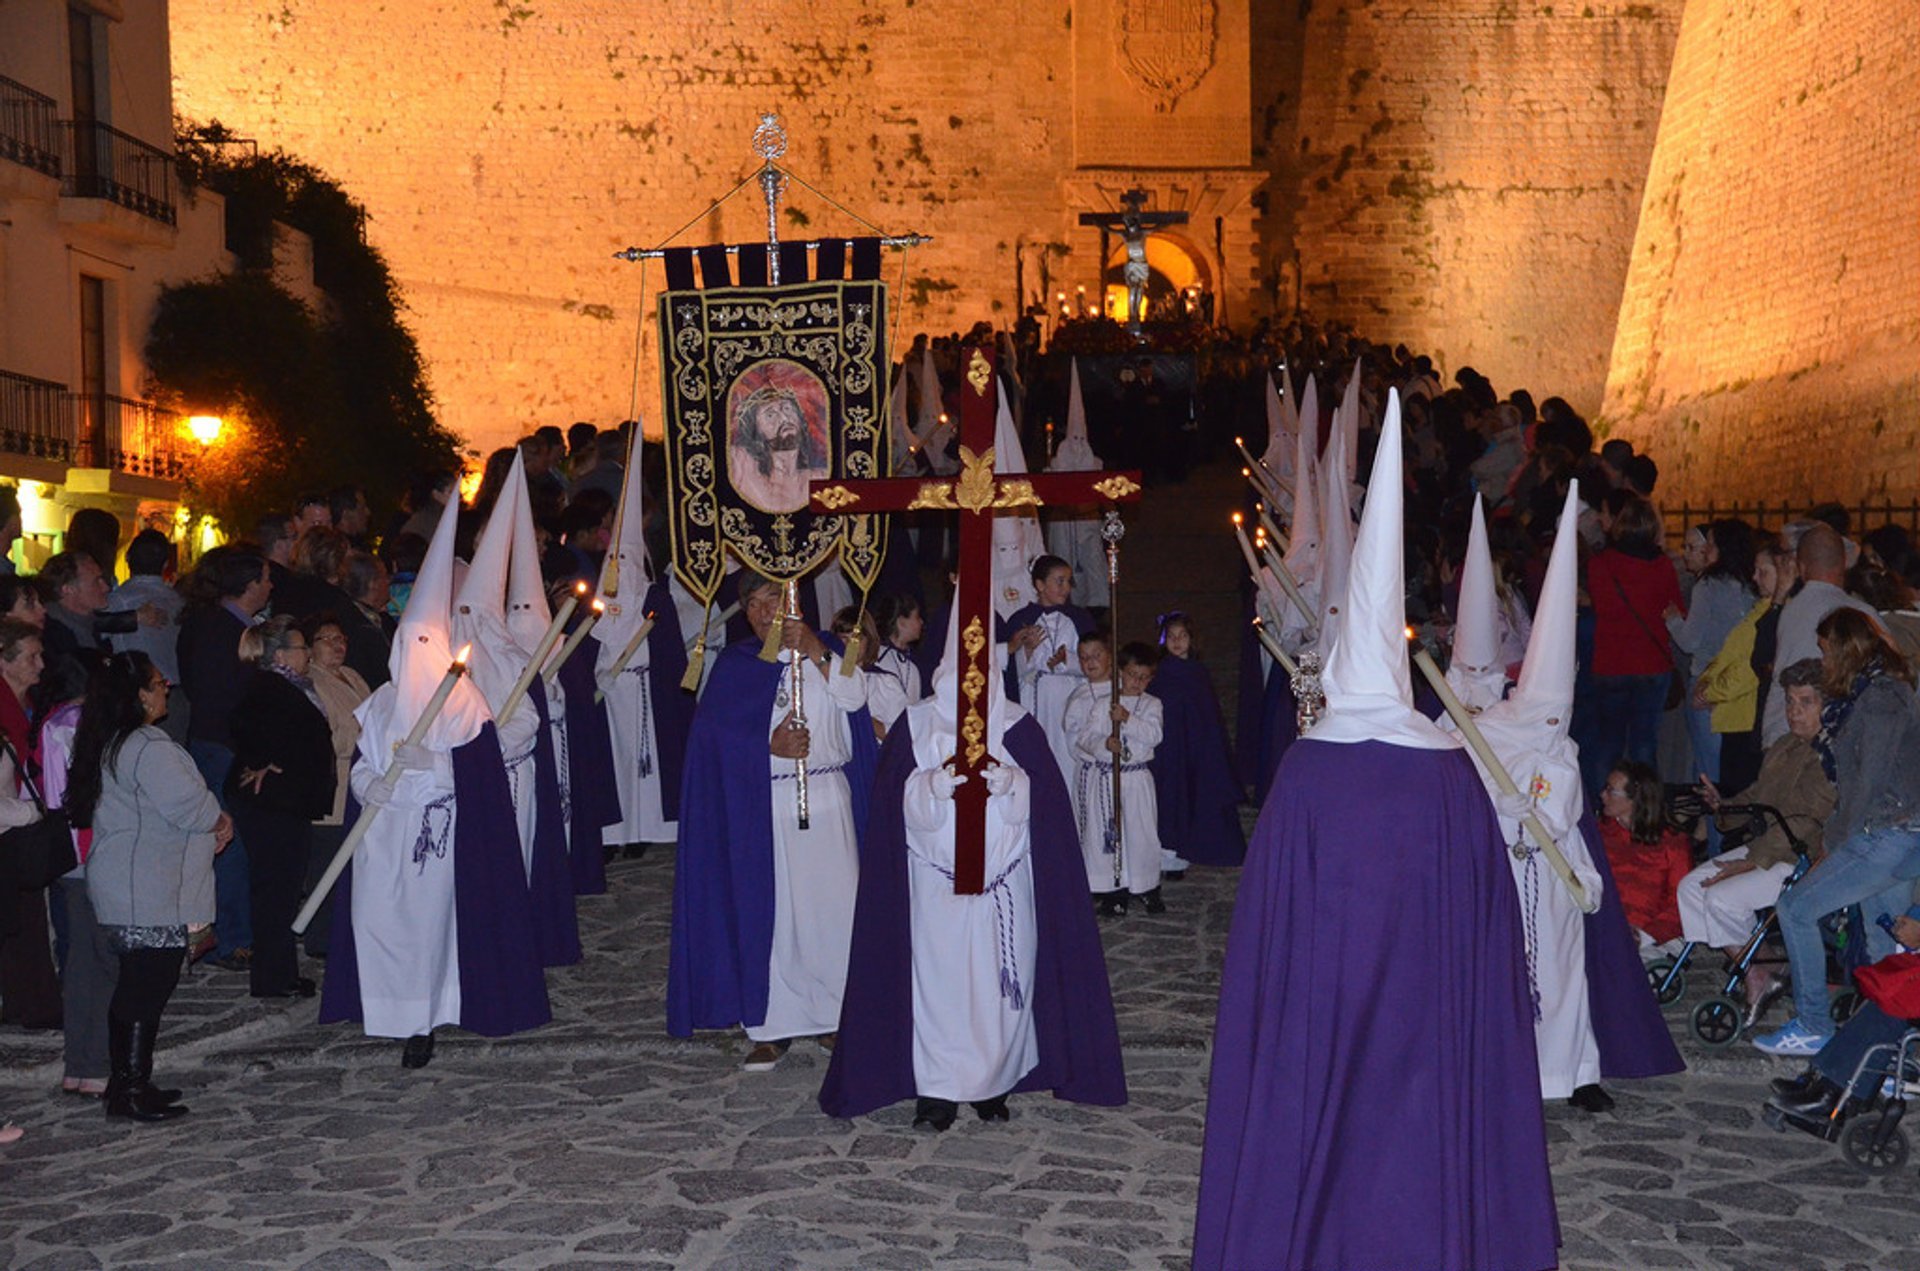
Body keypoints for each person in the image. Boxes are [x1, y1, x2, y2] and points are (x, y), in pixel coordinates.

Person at [1195, 390, 1557, 1271]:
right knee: (1415, 1132)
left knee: (1327, 1117)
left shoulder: (1308, 769)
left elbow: (1267, 925)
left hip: (1323, 1006)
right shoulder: (1444, 772)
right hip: (1426, 1012)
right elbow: (1484, 916)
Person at [819, 597, 1126, 1130]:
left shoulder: (1017, 725)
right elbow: (894, 805)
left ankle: (992, 1082)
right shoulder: (915, 726)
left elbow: (1046, 813)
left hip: (1004, 886)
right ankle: (937, 1089)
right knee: (939, 986)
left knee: (1000, 986)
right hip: (935, 888)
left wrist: (1015, 785)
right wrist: (930, 788)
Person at [317, 494, 551, 1068]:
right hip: (383, 833)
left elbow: (483, 771)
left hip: (436, 838)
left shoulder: (465, 703)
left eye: (429, 643)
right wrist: (370, 782)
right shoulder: (382, 704)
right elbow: (366, 758)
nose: (419, 654)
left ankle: (421, 1021)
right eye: (412, 643)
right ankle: (383, 1009)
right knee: (378, 922)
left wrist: (440, 767)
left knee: (428, 932)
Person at [668, 571, 875, 1070]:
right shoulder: (736, 666)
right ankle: (772, 1025)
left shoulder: (830, 649)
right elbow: (711, 743)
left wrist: (816, 653)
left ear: (794, 602)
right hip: (766, 804)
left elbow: (855, 699)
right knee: (774, 915)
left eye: (772, 600)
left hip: (827, 797)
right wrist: (766, 747)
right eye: (754, 604)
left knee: (833, 913)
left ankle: (835, 1018)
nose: (764, 613)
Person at [1452, 483, 1613, 1111]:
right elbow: (1462, 798)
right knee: (1505, 971)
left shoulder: (1561, 747)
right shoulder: (1480, 736)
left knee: (1565, 971)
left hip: (1552, 874)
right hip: (1501, 872)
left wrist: (1569, 851)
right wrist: (1500, 806)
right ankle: (1506, 1070)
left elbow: (1567, 814)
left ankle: (1576, 1072)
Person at [71, 652, 233, 1121]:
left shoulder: (114, 742)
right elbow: (187, 805)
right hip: (146, 885)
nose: (167, 690)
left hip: (132, 880)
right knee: (146, 986)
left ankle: (128, 1083)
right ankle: (130, 1089)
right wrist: (218, 816)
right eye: (160, 683)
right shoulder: (147, 746)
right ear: (140, 695)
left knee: (139, 985)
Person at [1754, 608, 1920, 1057]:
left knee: (1795, 909)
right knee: (1885, 942)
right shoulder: (1875, 692)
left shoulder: (1883, 697)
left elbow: (1869, 780)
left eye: (1827, 652)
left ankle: (1813, 1023)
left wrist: (1835, 840)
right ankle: (1887, 1051)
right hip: (1894, 832)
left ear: (1847, 650)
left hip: (1886, 833)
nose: (1824, 662)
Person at [1679, 658, 1834, 1011]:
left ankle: (1756, 972)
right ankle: (1762, 963)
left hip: (1800, 857)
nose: (1794, 712)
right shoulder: (1784, 745)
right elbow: (1757, 796)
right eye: (1790, 703)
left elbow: (1805, 822)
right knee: (1690, 888)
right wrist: (1724, 806)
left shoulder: (1830, 756)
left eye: (1805, 703)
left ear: (1828, 705)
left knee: (1722, 898)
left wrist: (1749, 862)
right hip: (1767, 847)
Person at [226, 617, 336, 998]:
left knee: (284, 889)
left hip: (289, 799)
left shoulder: (291, 687)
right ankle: (272, 978)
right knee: (275, 889)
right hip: (273, 802)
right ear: (282, 654)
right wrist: (263, 760)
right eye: (302, 647)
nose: (307, 654)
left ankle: (282, 972)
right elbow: (245, 724)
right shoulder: (267, 686)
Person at [176, 549, 272, 969]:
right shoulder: (220, 631)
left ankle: (238, 933)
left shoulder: (222, 625)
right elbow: (221, 696)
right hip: (223, 747)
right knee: (227, 841)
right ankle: (233, 939)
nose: (271, 585)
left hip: (223, 744)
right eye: (266, 578)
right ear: (249, 584)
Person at [1065, 635, 1165, 916]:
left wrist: (1127, 720)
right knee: (1109, 834)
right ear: (1120, 673)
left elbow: (1153, 735)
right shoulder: (1103, 705)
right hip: (1108, 777)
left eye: (1144, 678)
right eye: (1132, 676)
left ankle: (1146, 886)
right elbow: (1085, 737)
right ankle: (1113, 887)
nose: (1137, 683)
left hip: (1136, 778)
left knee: (1140, 833)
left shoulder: (1152, 705)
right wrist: (1104, 745)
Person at [1585, 494, 1683, 770]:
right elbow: (1677, 610)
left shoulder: (1600, 564)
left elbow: (1600, 605)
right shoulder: (1662, 565)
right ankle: (1644, 808)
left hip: (1610, 664)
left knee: (1609, 743)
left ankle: (1605, 806)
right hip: (1652, 664)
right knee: (1644, 743)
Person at [1762, 523, 1880, 745]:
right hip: (1834, 736)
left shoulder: (1790, 610)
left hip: (1782, 730)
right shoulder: (1863, 614)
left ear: (1802, 567)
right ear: (1844, 564)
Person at [295, 614, 370, 961]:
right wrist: (362, 732)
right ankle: (322, 939)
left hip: (360, 782)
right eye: (328, 639)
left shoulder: (352, 676)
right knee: (327, 864)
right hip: (334, 784)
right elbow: (325, 736)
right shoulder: (312, 683)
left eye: (342, 639)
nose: (338, 645)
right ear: (310, 649)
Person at [1147, 612, 1245, 871]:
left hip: (1197, 746)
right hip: (1169, 748)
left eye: (1183, 636)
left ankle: (1195, 843)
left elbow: (1207, 713)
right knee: (1170, 794)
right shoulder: (1159, 675)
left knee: (1196, 791)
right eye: (1172, 637)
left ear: (1192, 640)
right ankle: (1169, 850)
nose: (1177, 642)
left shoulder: (1198, 674)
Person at [0, 619, 60, 1030]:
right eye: (31, 657)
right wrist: (33, 813)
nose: (41, 665)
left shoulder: (28, 705)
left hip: (17, 832)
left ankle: (29, 1004)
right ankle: (33, 1005)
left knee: (24, 921)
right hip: (10, 826)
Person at [1005, 555, 1096, 783]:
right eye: (1059, 581)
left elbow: (1097, 662)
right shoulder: (1021, 619)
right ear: (1040, 585)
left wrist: (1070, 660)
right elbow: (1012, 672)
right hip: (1035, 696)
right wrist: (1026, 651)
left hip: (1070, 696)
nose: (1066, 588)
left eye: (1068, 581)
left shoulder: (1080, 619)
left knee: (1068, 762)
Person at [1597, 761, 1694, 953]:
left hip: (1652, 935)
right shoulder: (1600, 833)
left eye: (1611, 791)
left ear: (1634, 800)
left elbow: (1680, 903)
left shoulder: (1672, 843)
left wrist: (1644, 935)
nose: (1602, 795)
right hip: (1604, 926)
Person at [864, 591, 925, 733]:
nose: (921, 622)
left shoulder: (916, 663)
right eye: (917, 617)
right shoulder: (875, 658)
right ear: (901, 622)